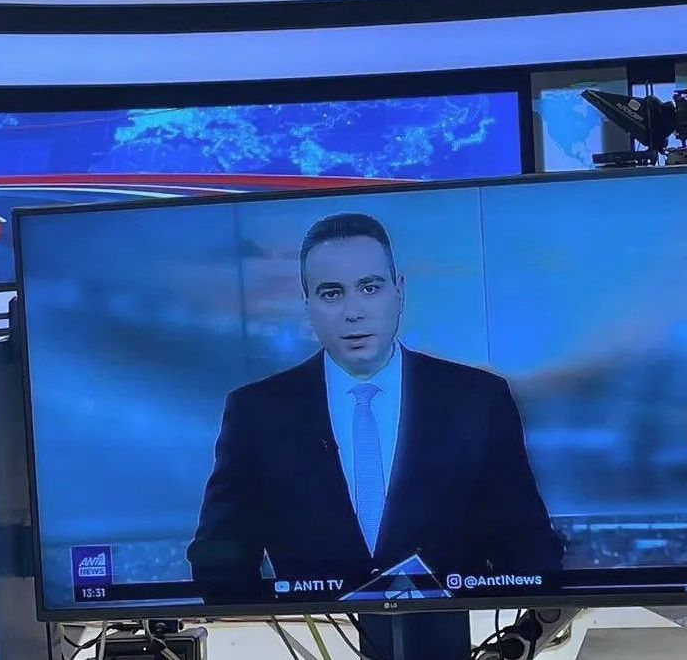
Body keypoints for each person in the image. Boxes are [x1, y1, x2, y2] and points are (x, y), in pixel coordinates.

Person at [187, 213, 563, 603]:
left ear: (399, 291)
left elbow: (528, 547)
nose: (353, 312)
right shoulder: (257, 412)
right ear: (307, 304)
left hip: (460, 631)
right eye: (332, 293)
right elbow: (219, 560)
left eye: (369, 288)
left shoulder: (479, 400)